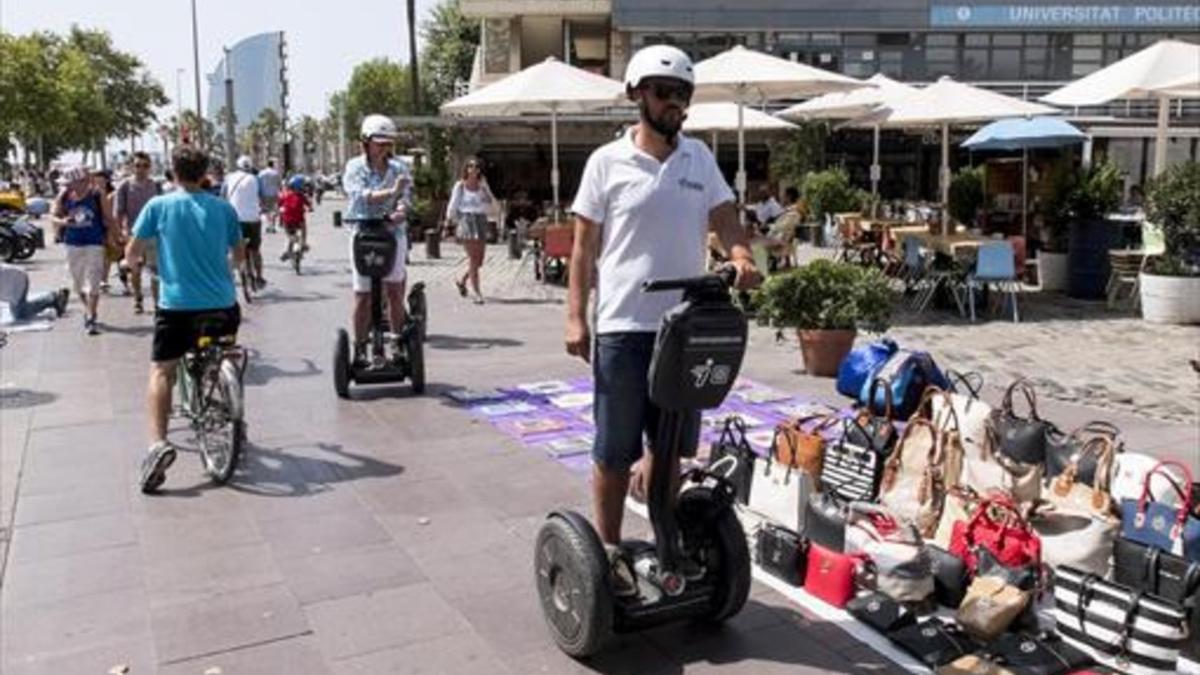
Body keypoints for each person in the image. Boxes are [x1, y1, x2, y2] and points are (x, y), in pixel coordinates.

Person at [564, 44, 759, 596]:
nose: (675, 103)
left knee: (672, 447)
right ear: (637, 94)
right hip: (624, 325)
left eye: (683, 95)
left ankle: (666, 540)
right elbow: (583, 249)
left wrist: (741, 255)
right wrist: (576, 315)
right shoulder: (606, 162)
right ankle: (608, 551)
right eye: (664, 92)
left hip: (686, 327)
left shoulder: (698, 159)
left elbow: (725, 218)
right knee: (615, 448)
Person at [127, 146, 245, 494]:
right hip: (223, 305)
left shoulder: (159, 206)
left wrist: (128, 265)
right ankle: (224, 393)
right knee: (222, 354)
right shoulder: (224, 209)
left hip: (177, 306)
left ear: (172, 172)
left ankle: (158, 444)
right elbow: (238, 257)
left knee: (162, 370)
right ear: (204, 171)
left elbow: (133, 251)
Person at [342, 114, 412, 360]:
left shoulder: (400, 168)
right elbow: (359, 195)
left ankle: (395, 341)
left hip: (393, 233)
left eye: (388, 143)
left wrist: (401, 210)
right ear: (366, 142)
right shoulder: (355, 167)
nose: (384, 148)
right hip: (363, 232)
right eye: (379, 143)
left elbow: (406, 198)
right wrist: (391, 192)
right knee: (363, 294)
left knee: (394, 290)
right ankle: (360, 347)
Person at [51, 165, 116, 335]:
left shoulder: (96, 195)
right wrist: (64, 222)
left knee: (94, 281)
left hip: (94, 243)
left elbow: (109, 218)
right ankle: (88, 309)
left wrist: (115, 237)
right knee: (77, 283)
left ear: (82, 181)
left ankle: (91, 316)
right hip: (72, 243)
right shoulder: (64, 195)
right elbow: (53, 216)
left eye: (70, 182)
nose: (67, 186)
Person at [116, 152, 162, 314]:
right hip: (133, 234)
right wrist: (120, 232)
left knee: (156, 270)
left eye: (145, 166)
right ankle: (138, 298)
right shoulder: (125, 186)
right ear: (132, 167)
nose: (141, 169)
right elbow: (119, 212)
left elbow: (163, 209)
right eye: (137, 165)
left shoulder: (156, 186)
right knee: (135, 269)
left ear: (150, 168)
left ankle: (158, 304)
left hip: (154, 234)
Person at [444, 157, 496, 304]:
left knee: (479, 261)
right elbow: (453, 204)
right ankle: (477, 292)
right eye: (471, 166)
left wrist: (485, 187)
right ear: (466, 169)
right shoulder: (460, 186)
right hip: (467, 220)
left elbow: (489, 202)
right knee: (473, 258)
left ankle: (463, 280)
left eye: (476, 167)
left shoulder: (482, 186)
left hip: (480, 220)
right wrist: (449, 221)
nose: (473, 169)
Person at [222, 156, 264, 288]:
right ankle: (259, 277)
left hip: (235, 219)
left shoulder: (229, 178)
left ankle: (232, 273)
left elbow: (223, 196)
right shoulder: (256, 179)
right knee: (255, 250)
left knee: (233, 248)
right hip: (253, 219)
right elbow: (261, 196)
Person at [0, 264, 68, 321]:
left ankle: (54, 298)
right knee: (19, 311)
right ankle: (52, 297)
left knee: (21, 314)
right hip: (15, 279)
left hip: (18, 281)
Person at [279, 175, 311, 262]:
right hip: (299, 220)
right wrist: (310, 208)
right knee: (303, 229)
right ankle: (303, 243)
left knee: (289, 235)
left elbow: (279, 203)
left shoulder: (285, 195)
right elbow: (309, 205)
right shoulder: (301, 196)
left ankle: (288, 250)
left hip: (287, 220)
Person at [258, 159, 282, 232]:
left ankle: (269, 225)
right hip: (274, 194)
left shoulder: (261, 173)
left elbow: (259, 183)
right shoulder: (276, 173)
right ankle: (273, 226)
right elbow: (279, 184)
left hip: (264, 195)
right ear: (273, 165)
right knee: (273, 210)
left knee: (266, 210)